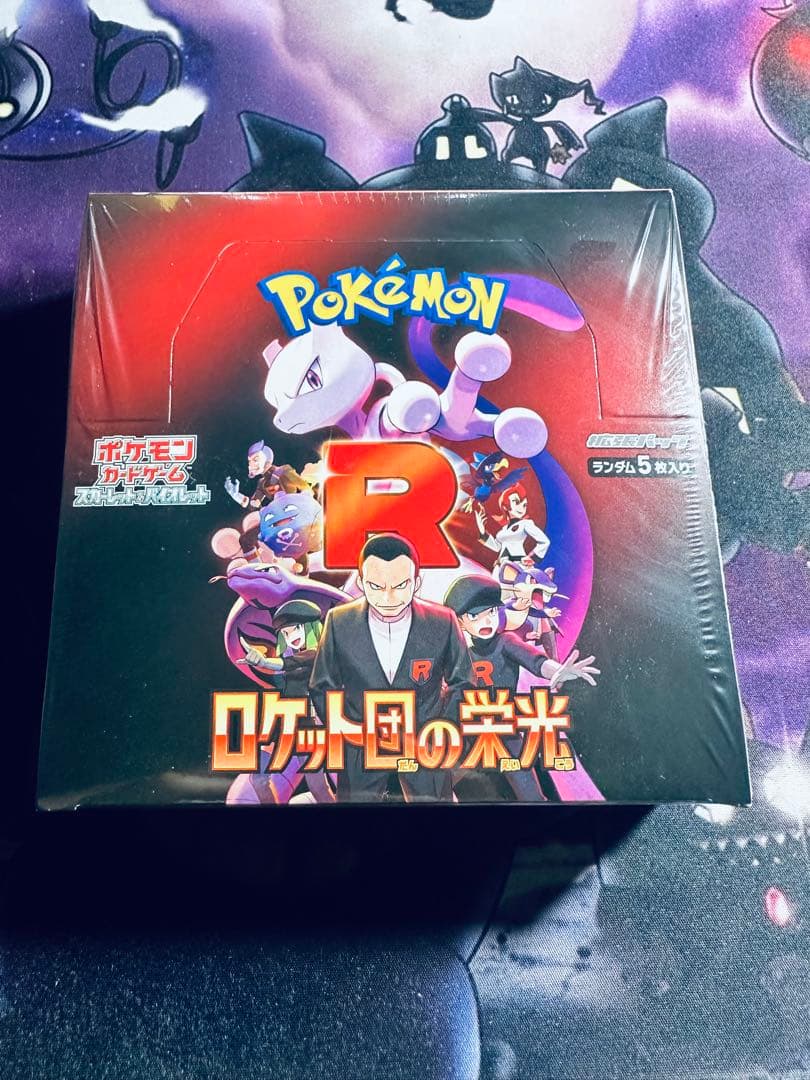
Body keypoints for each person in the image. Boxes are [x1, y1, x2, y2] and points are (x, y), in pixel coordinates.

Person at [309, 534, 473, 802]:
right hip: (361, 748)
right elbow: (321, 685)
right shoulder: (339, 621)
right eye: (375, 586)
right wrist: (348, 730)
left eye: (400, 585)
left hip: (426, 745)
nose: (388, 597)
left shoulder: (443, 621)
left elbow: (463, 681)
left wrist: (443, 730)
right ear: (361, 582)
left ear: (416, 583)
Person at [444, 574, 599, 802]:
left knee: (531, 796)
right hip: (467, 733)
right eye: (475, 616)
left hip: (505, 730)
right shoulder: (458, 653)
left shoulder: (505, 642)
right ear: (460, 622)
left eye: (491, 612)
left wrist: (557, 671)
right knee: (438, 783)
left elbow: (534, 660)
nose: (486, 621)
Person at [475, 482, 550, 565]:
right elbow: (497, 547)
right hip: (500, 565)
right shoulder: (504, 529)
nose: (521, 508)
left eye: (524, 505)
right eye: (516, 502)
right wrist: (482, 531)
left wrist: (532, 557)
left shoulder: (525, 524)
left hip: (517, 564)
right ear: (505, 506)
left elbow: (545, 541)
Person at [224, 440, 310, 510]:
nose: (251, 465)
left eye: (255, 460)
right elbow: (254, 505)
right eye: (249, 461)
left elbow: (305, 488)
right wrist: (236, 496)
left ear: (267, 460)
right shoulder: (262, 483)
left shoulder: (284, 470)